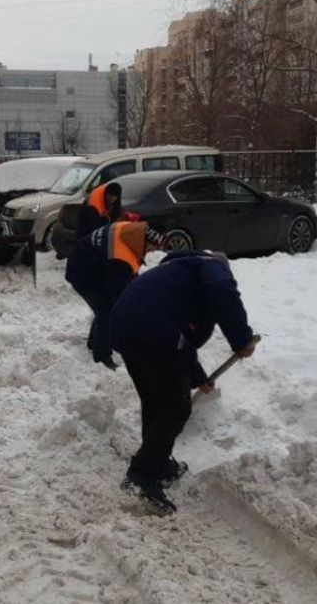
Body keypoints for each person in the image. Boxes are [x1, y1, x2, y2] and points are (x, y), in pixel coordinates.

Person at [109, 251, 258, 515]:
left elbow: (183, 343)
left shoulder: (177, 279)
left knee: (156, 399)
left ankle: (157, 461)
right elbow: (222, 290)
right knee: (175, 407)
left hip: (124, 325)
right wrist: (241, 338)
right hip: (153, 328)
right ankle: (143, 475)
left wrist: (198, 378)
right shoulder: (212, 266)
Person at [64, 221, 163, 369]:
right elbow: (117, 295)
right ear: (143, 241)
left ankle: (94, 342)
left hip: (92, 263)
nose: (150, 253)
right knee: (108, 310)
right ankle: (102, 355)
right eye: (150, 249)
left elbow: (126, 275)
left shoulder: (129, 230)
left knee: (106, 307)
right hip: (81, 273)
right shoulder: (120, 258)